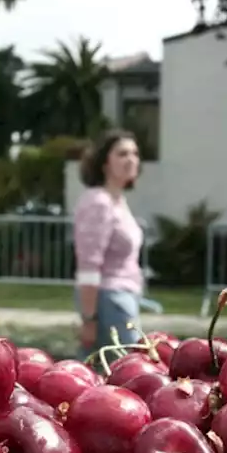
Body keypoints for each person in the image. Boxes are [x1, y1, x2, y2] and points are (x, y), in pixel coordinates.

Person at [73, 129, 145, 357]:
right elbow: (89, 264)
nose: (131, 159)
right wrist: (89, 318)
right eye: (122, 154)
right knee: (123, 371)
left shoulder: (118, 201)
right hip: (108, 300)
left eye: (134, 153)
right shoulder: (99, 202)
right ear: (104, 163)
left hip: (124, 298)